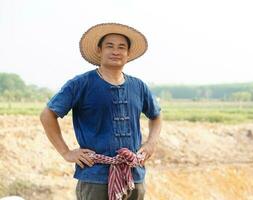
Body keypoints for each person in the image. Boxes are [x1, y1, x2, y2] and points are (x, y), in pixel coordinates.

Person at [40, 23, 162, 200]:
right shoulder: (81, 84)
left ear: (128, 54)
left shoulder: (139, 86)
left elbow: (157, 116)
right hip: (95, 177)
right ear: (99, 51)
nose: (116, 51)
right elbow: (47, 115)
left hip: (134, 176)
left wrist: (151, 143)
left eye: (122, 47)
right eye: (109, 46)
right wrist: (66, 152)